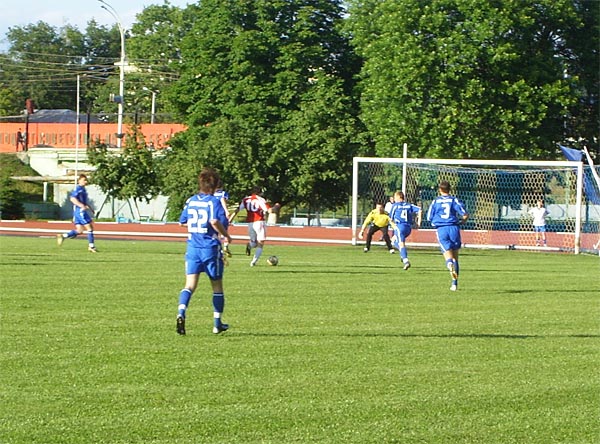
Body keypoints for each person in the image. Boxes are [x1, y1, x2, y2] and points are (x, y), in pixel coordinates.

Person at [176, 167, 232, 335]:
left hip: (192, 246)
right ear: (215, 186)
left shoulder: (191, 200)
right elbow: (214, 221)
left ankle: (181, 312)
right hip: (209, 247)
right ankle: (217, 323)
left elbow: (182, 222)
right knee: (216, 286)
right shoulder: (213, 201)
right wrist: (226, 236)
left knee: (189, 285)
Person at [427, 181, 469, 291]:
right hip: (454, 228)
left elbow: (429, 217)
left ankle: (449, 264)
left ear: (440, 190)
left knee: (447, 255)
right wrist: (463, 221)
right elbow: (465, 214)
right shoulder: (454, 200)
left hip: (442, 229)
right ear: (450, 189)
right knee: (456, 257)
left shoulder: (436, 201)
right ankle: (454, 284)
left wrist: (435, 221)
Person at [228, 186, 272, 266]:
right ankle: (253, 262)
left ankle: (250, 245)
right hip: (259, 222)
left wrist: (230, 219)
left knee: (254, 244)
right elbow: (269, 210)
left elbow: (237, 210)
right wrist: (276, 206)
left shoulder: (246, 199)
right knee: (260, 243)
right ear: (260, 192)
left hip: (250, 223)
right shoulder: (260, 200)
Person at [56, 174, 98, 252]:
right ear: (79, 181)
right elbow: (72, 198)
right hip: (80, 212)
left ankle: (63, 236)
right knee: (90, 228)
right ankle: (91, 246)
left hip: (78, 212)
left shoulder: (83, 189)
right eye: (84, 180)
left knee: (79, 230)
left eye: (86, 180)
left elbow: (83, 201)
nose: (85, 182)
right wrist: (81, 205)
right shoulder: (79, 189)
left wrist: (90, 208)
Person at [388, 191, 422, 270]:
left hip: (400, 227)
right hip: (408, 228)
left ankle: (406, 261)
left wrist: (394, 226)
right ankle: (402, 254)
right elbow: (420, 210)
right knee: (393, 241)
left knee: (401, 244)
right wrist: (418, 223)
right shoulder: (409, 205)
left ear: (398, 197)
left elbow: (390, 218)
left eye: (395, 197)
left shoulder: (395, 206)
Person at [214, 180, 232, 257]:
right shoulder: (223, 193)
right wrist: (227, 211)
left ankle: (218, 248)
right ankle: (225, 246)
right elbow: (223, 200)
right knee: (224, 231)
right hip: (222, 215)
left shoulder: (212, 194)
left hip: (214, 215)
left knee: (216, 232)